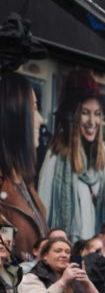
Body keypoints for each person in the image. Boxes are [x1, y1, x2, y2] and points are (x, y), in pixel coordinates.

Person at [37, 69, 105, 243]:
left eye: (97, 114)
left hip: (92, 250)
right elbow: (44, 210)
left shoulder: (101, 154)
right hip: (65, 250)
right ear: (74, 116)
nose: (92, 122)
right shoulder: (57, 154)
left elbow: (98, 212)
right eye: (85, 112)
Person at [0, 72, 49, 261]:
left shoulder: (23, 183)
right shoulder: (5, 187)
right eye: (34, 109)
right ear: (15, 118)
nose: (41, 120)